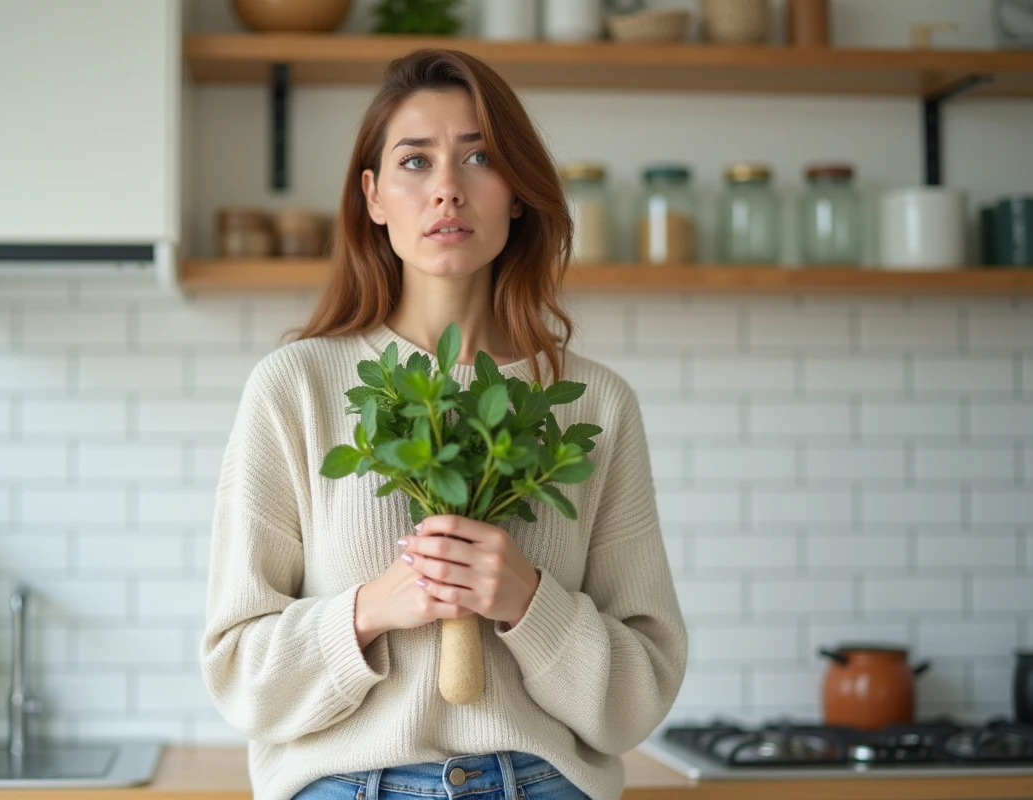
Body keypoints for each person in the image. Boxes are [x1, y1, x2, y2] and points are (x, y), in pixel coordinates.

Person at [200, 48, 687, 800]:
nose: (448, 191)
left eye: (479, 158)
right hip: (344, 785)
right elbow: (239, 674)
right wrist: (370, 610)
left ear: (517, 193)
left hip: (542, 784)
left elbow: (639, 696)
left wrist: (529, 599)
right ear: (373, 196)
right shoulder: (295, 389)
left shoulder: (594, 404)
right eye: (415, 162)